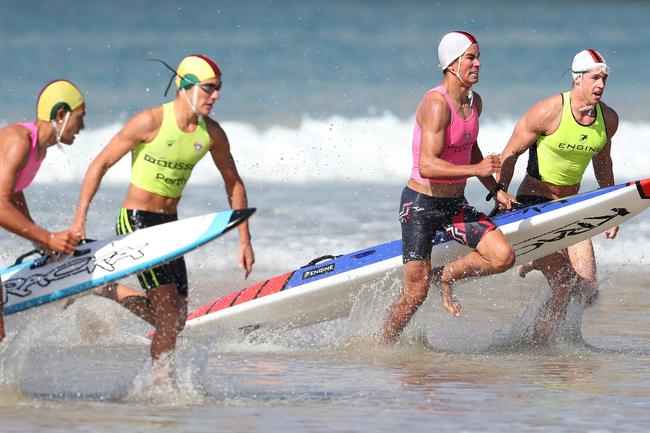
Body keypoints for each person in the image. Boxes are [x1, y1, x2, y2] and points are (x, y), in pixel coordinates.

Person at [69, 54, 254, 379]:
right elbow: (99, 164)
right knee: (168, 310)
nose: (216, 96)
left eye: (219, 89)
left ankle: (105, 290)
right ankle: (160, 383)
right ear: (185, 85)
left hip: (170, 227)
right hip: (136, 221)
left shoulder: (211, 133)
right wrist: (80, 220)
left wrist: (244, 239)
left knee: (176, 319)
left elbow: (233, 181)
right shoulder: (150, 122)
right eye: (209, 88)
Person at [381, 32, 516, 343]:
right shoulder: (435, 104)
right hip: (420, 205)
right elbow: (427, 165)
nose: (478, 63)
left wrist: (494, 189)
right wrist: (476, 170)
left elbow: (471, 146)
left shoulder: (473, 102)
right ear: (452, 63)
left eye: (478, 57)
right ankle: (383, 345)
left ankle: (446, 276)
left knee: (502, 257)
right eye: (470, 57)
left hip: (454, 205)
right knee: (415, 294)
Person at [497, 49, 619, 344]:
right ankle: (541, 348)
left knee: (588, 292)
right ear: (577, 80)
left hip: (571, 207)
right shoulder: (548, 111)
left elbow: (603, 163)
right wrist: (499, 192)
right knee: (565, 285)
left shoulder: (608, 119)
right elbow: (510, 153)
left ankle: (558, 338)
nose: (600, 84)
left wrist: (612, 208)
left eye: (604, 78)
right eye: (594, 78)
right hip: (535, 204)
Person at [0, 80, 85, 341]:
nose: (82, 128)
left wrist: (40, 242)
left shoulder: (38, 149)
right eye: (79, 119)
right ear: (61, 115)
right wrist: (47, 237)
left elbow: (13, 192)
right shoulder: (19, 141)